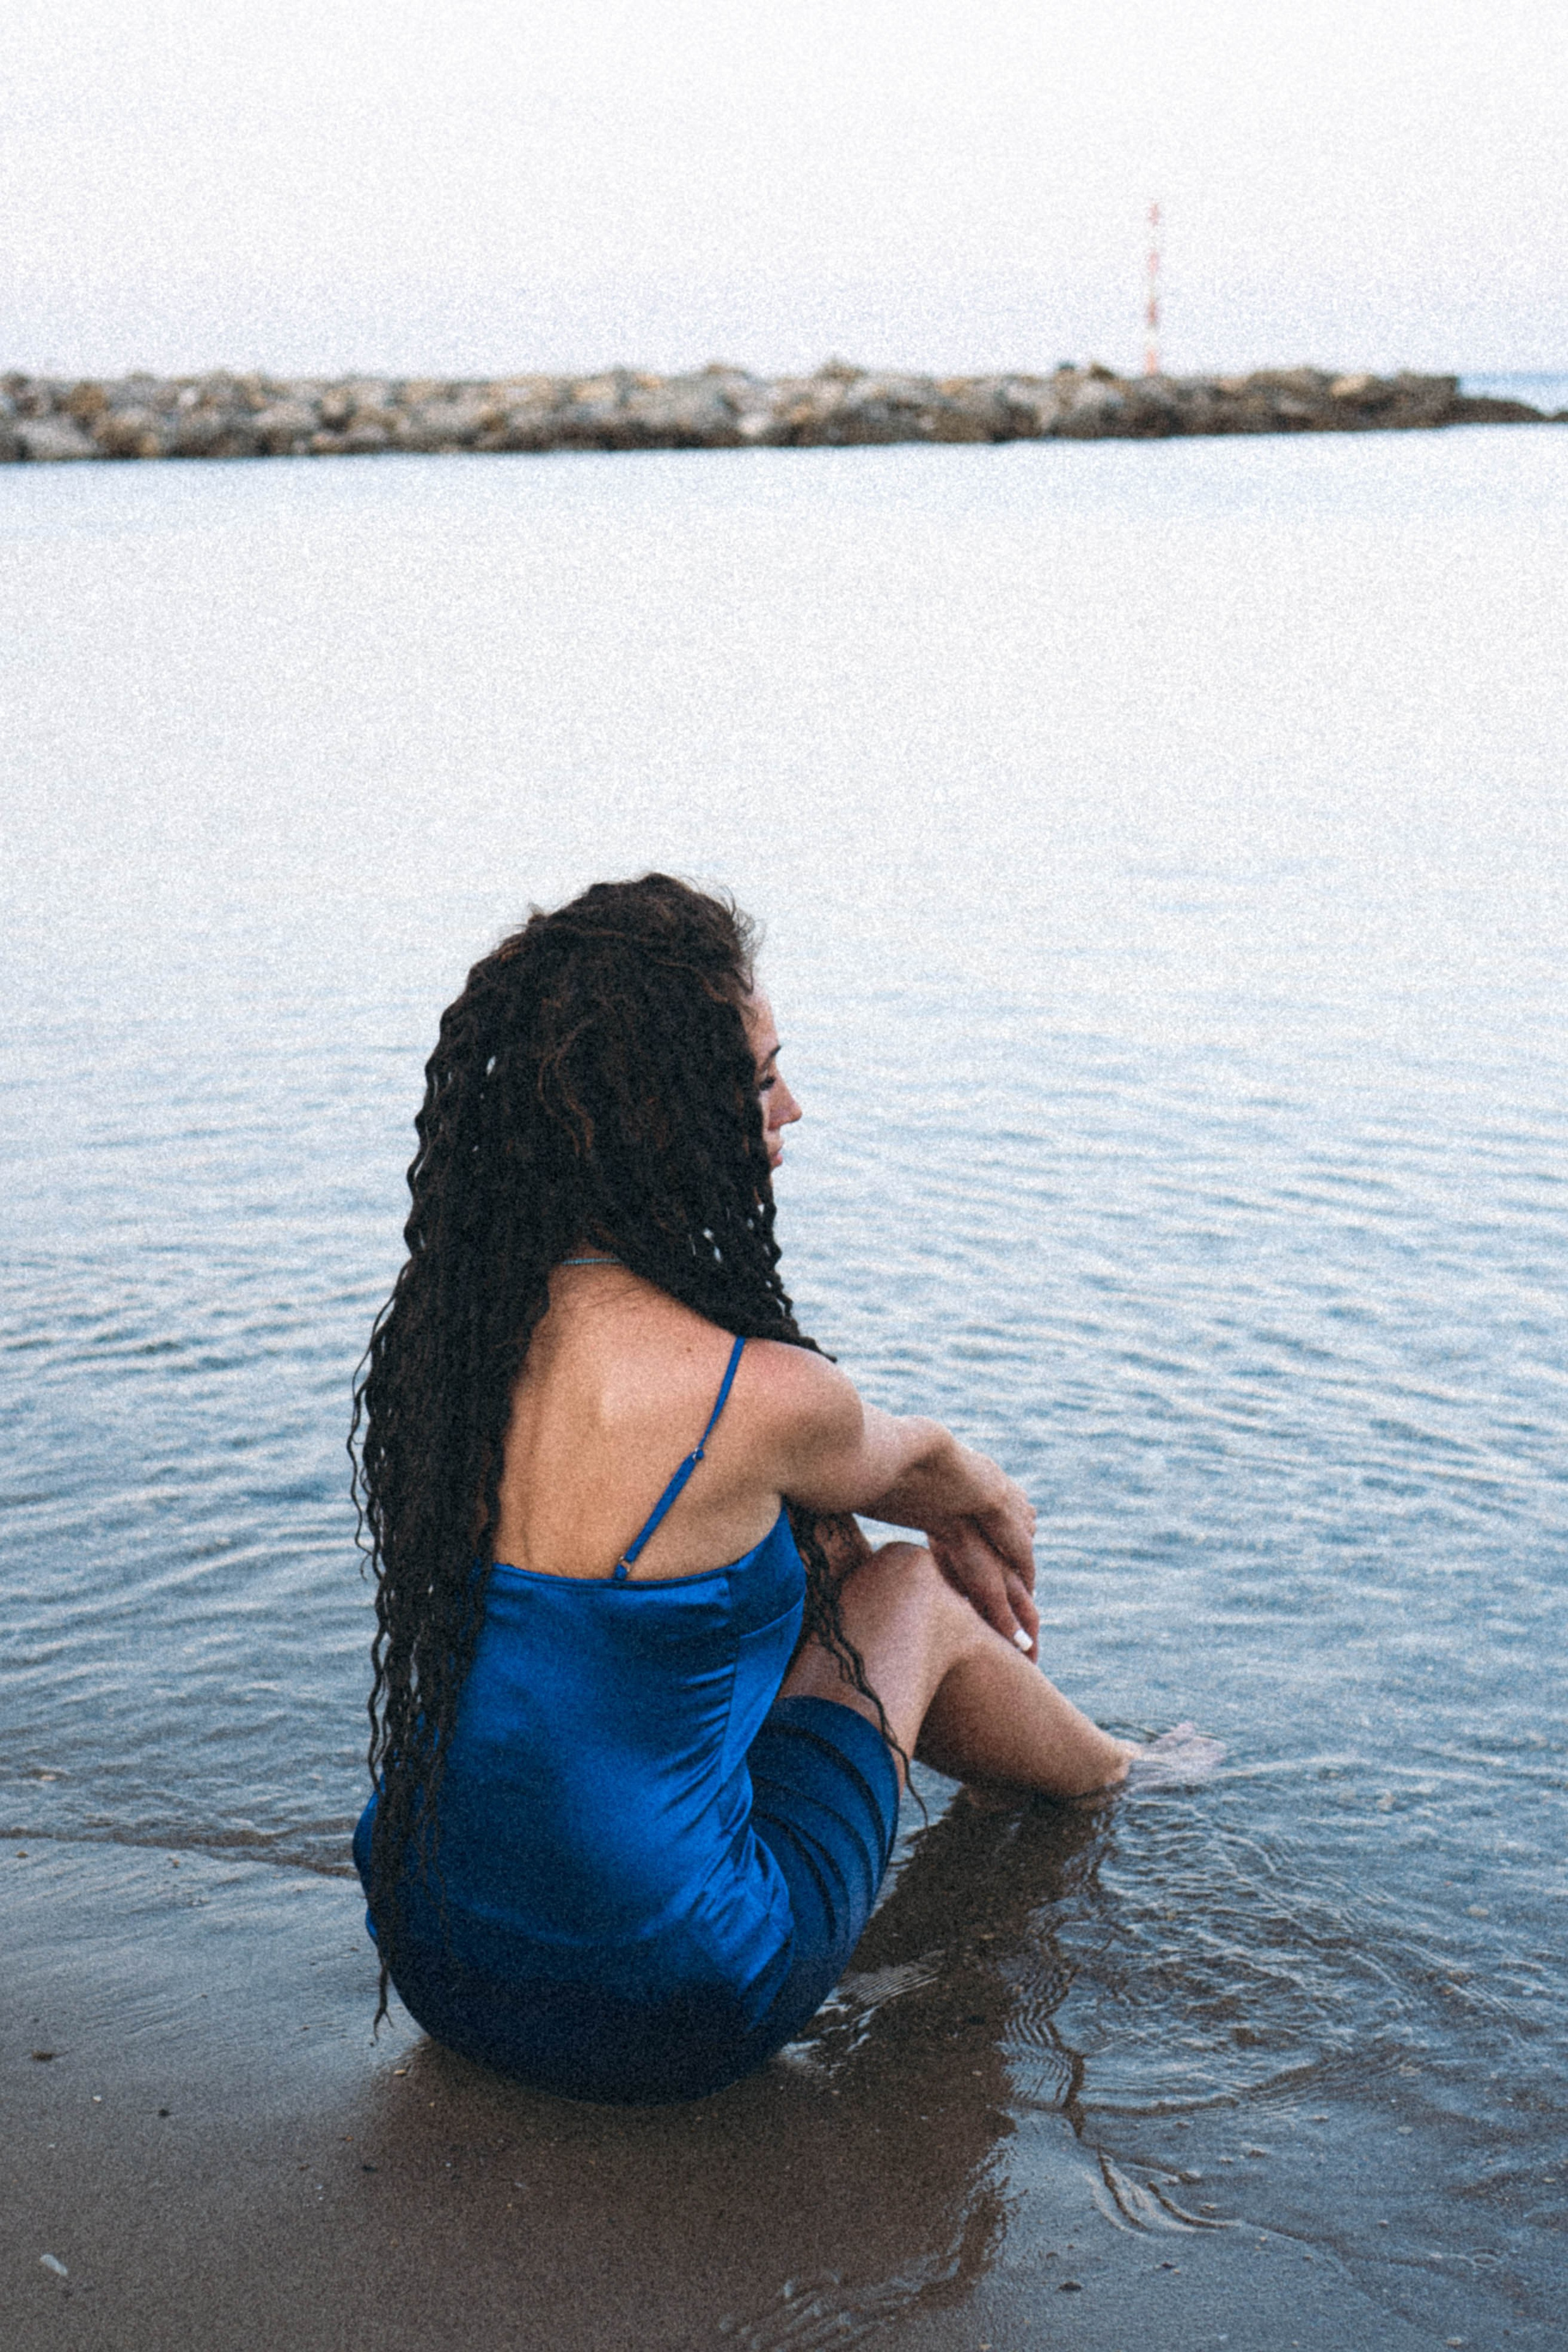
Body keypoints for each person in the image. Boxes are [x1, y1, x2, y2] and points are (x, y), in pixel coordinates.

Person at [351, 874, 1137, 2106]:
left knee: (812, 1548)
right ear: (658, 1115)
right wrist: (990, 1508)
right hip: (670, 2001)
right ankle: (1109, 1778)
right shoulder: (751, 1394)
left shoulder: (446, 1344)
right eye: (761, 1079)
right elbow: (925, 1471)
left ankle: (1064, 1765)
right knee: (914, 1588)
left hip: (437, 1954)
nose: (792, 1109)